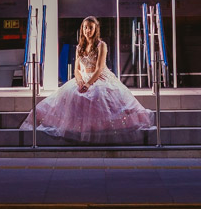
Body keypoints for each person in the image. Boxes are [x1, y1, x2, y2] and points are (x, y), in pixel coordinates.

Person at [20, 16, 154, 144]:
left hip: (99, 77)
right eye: (85, 27)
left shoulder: (101, 45)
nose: (87, 30)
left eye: (90, 28)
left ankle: (99, 129)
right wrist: (80, 81)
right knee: (70, 94)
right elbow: (77, 69)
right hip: (83, 77)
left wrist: (89, 84)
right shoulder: (80, 47)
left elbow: (100, 68)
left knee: (97, 95)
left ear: (95, 29)